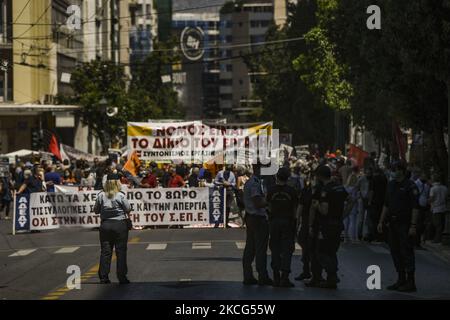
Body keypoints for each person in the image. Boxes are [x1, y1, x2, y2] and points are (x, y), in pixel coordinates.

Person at [377, 162, 420, 292]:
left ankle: (410, 281)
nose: (393, 172)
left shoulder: (410, 185)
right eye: (392, 170)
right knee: (395, 251)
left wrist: (413, 225)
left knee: (406, 251)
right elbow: (386, 204)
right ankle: (401, 278)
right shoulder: (391, 185)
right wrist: (380, 221)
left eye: (395, 170)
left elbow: (415, 207)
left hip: (405, 223)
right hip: (392, 223)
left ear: (401, 171)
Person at [306, 165, 348, 289]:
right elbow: (351, 200)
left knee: (321, 252)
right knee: (331, 251)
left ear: (319, 176)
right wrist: (343, 215)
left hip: (326, 225)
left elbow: (323, 210)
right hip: (337, 224)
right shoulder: (339, 187)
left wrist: (316, 205)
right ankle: (330, 279)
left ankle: (332, 274)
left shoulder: (324, 189)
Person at [93, 174, 131, 284]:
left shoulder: (101, 195)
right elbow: (128, 208)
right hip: (120, 225)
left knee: (106, 251)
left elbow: (96, 210)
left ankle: (104, 277)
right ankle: (122, 277)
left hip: (105, 225)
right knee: (121, 252)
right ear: (117, 183)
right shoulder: (120, 195)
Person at [266, 167, 298, 287]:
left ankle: (276, 276)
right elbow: (295, 209)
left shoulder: (271, 190)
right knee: (287, 250)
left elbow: (267, 205)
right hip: (287, 222)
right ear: (287, 178)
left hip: (274, 222)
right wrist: (295, 222)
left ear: (277, 177)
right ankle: (284, 277)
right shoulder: (292, 191)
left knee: (275, 248)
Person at [242, 163, 273, 286]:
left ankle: (248, 275)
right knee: (260, 248)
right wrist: (269, 200)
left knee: (250, 247)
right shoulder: (255, 183)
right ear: (257, 169)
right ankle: (262, 276)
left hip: (252, 217)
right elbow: (257, 202)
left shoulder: (252, 182)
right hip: (257, 218)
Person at [295, 174, 314, 281]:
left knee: (307, 248)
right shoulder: (320, 189)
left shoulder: (307, 191)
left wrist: (297, 223)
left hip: (308, 224)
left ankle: (309, 271)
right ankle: (311, 272)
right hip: (312, 224)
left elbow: (300, 208)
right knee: (308, 249)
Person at [428, 175, 448, 243]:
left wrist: (428, 201)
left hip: (435, 208)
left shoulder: (433, 188)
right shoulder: (445, 188)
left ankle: (436, 239)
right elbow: (446, 198)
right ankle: (437, 238)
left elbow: (432, 198)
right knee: (441, 225)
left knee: (437, 225)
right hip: (443, 208)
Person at [414, 173, 430, 247]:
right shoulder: (416, 184)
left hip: (424, 207)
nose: (425, 177)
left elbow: (427, 195)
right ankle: (415, 241)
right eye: (424, 176)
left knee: (421, 224)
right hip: (417, 206)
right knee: (418, 224)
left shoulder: (426, 185)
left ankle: (418, 241)